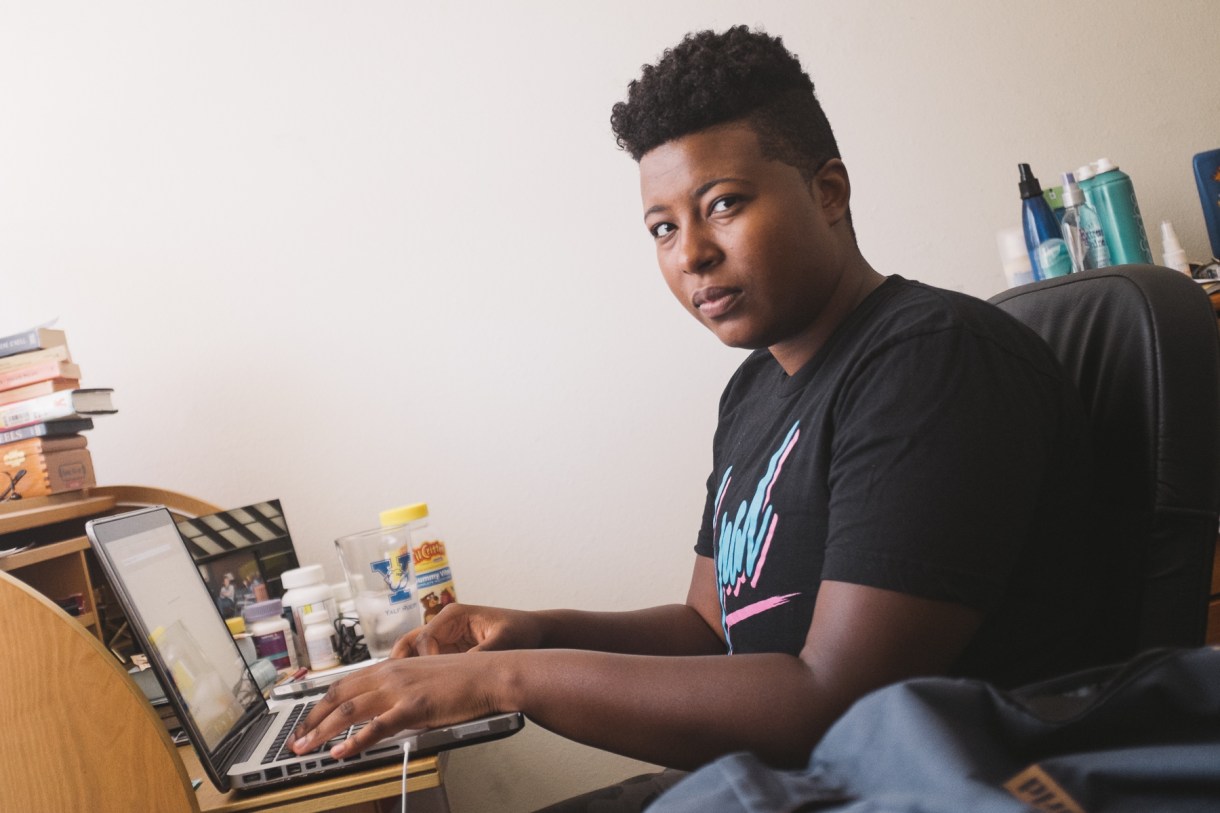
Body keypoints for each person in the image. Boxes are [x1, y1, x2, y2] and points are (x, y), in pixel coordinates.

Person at [290, 25, 1113, 805]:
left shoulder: (931, 361)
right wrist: (527, 633)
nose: (691, 254)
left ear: (829, 191)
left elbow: (835, 705)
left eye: (721, 205)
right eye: (661, 227)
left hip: (934, 787)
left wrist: (504, 680)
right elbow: (708, 626)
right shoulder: (754, 391)